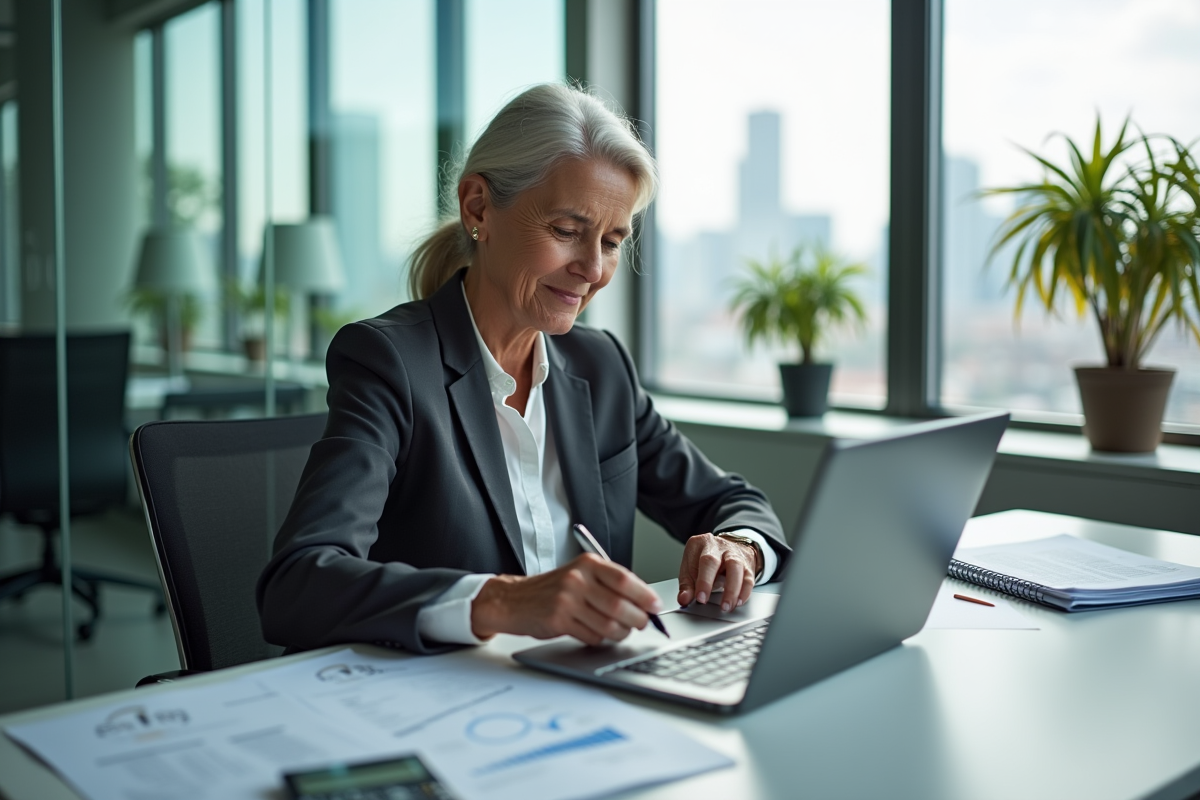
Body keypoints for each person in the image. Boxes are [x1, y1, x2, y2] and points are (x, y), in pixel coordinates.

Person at [257, 83, 789, 654]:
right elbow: (299, 585)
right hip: (442, 702)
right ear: (479, 207)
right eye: (566, 232)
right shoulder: (389, 361)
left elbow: (735, 503)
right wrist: (505, 602)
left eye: (611, 242)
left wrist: (740, 547)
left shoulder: (600, 366)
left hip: (581, 694)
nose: (591, 269)